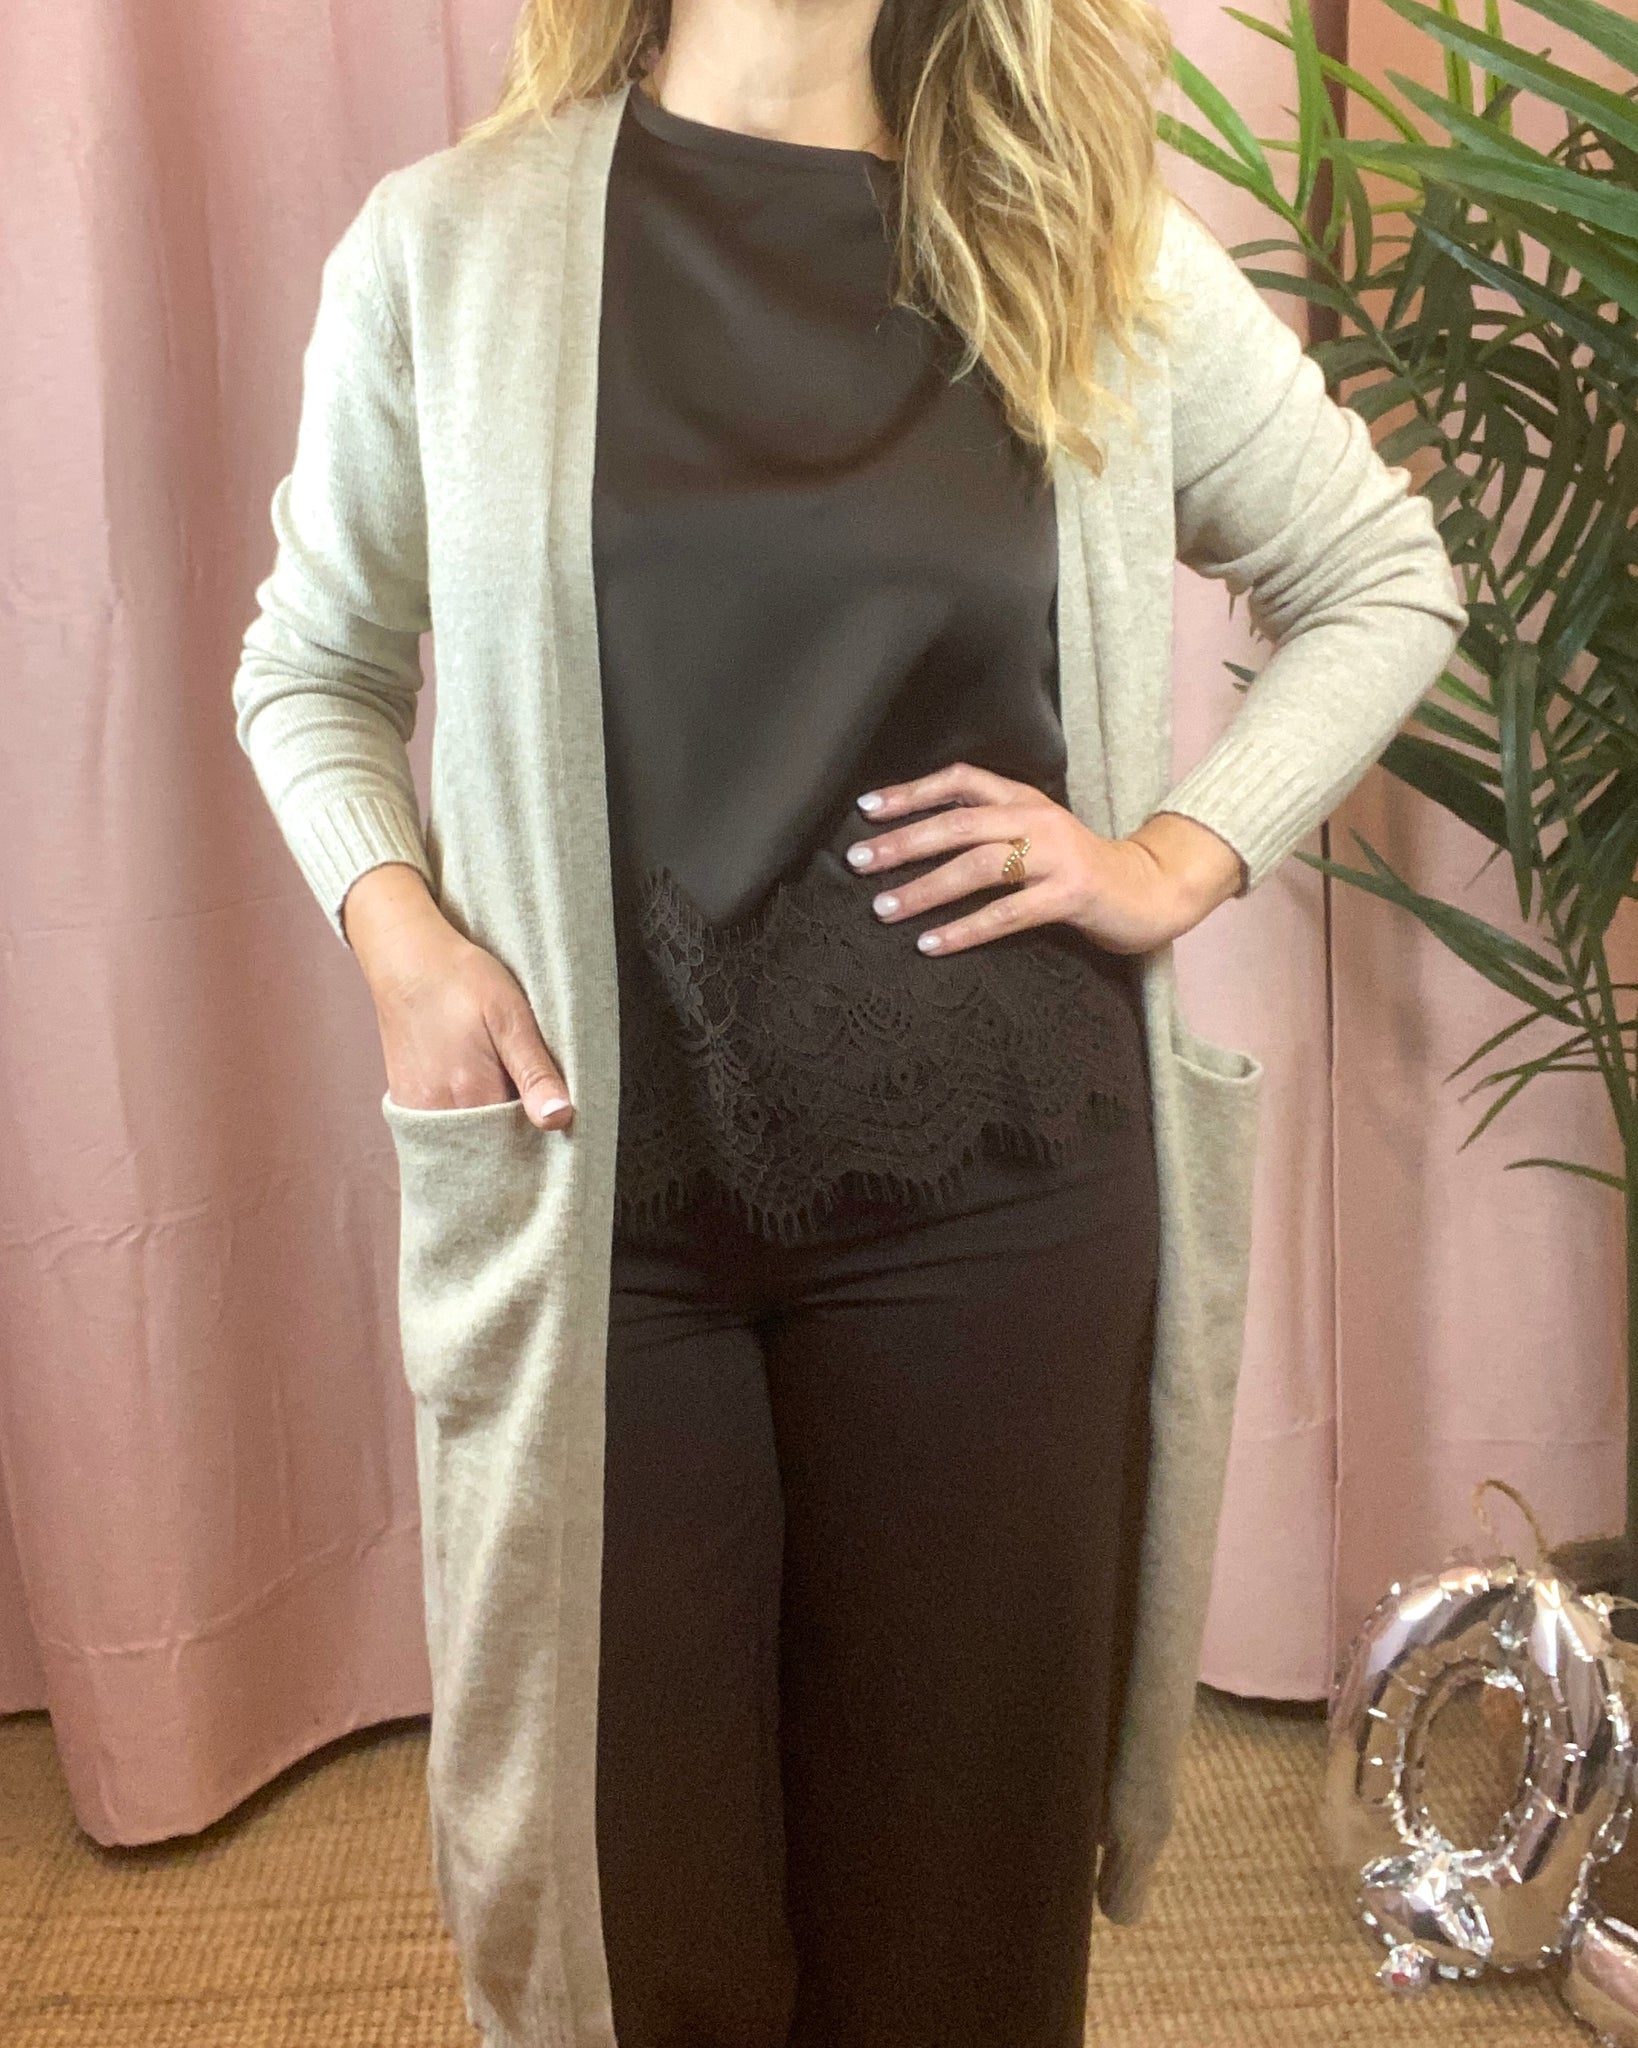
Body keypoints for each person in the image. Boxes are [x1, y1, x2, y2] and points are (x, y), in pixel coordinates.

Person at [231, 0, 1469, 2041]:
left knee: (955, 1925)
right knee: (643, 1926)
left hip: (998, 1195)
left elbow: (1378, 572)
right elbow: (314, 662)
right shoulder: (448, 248)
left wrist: (1177, 853)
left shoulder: (1079, 242)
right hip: (595, 1201)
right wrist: (401, 936)